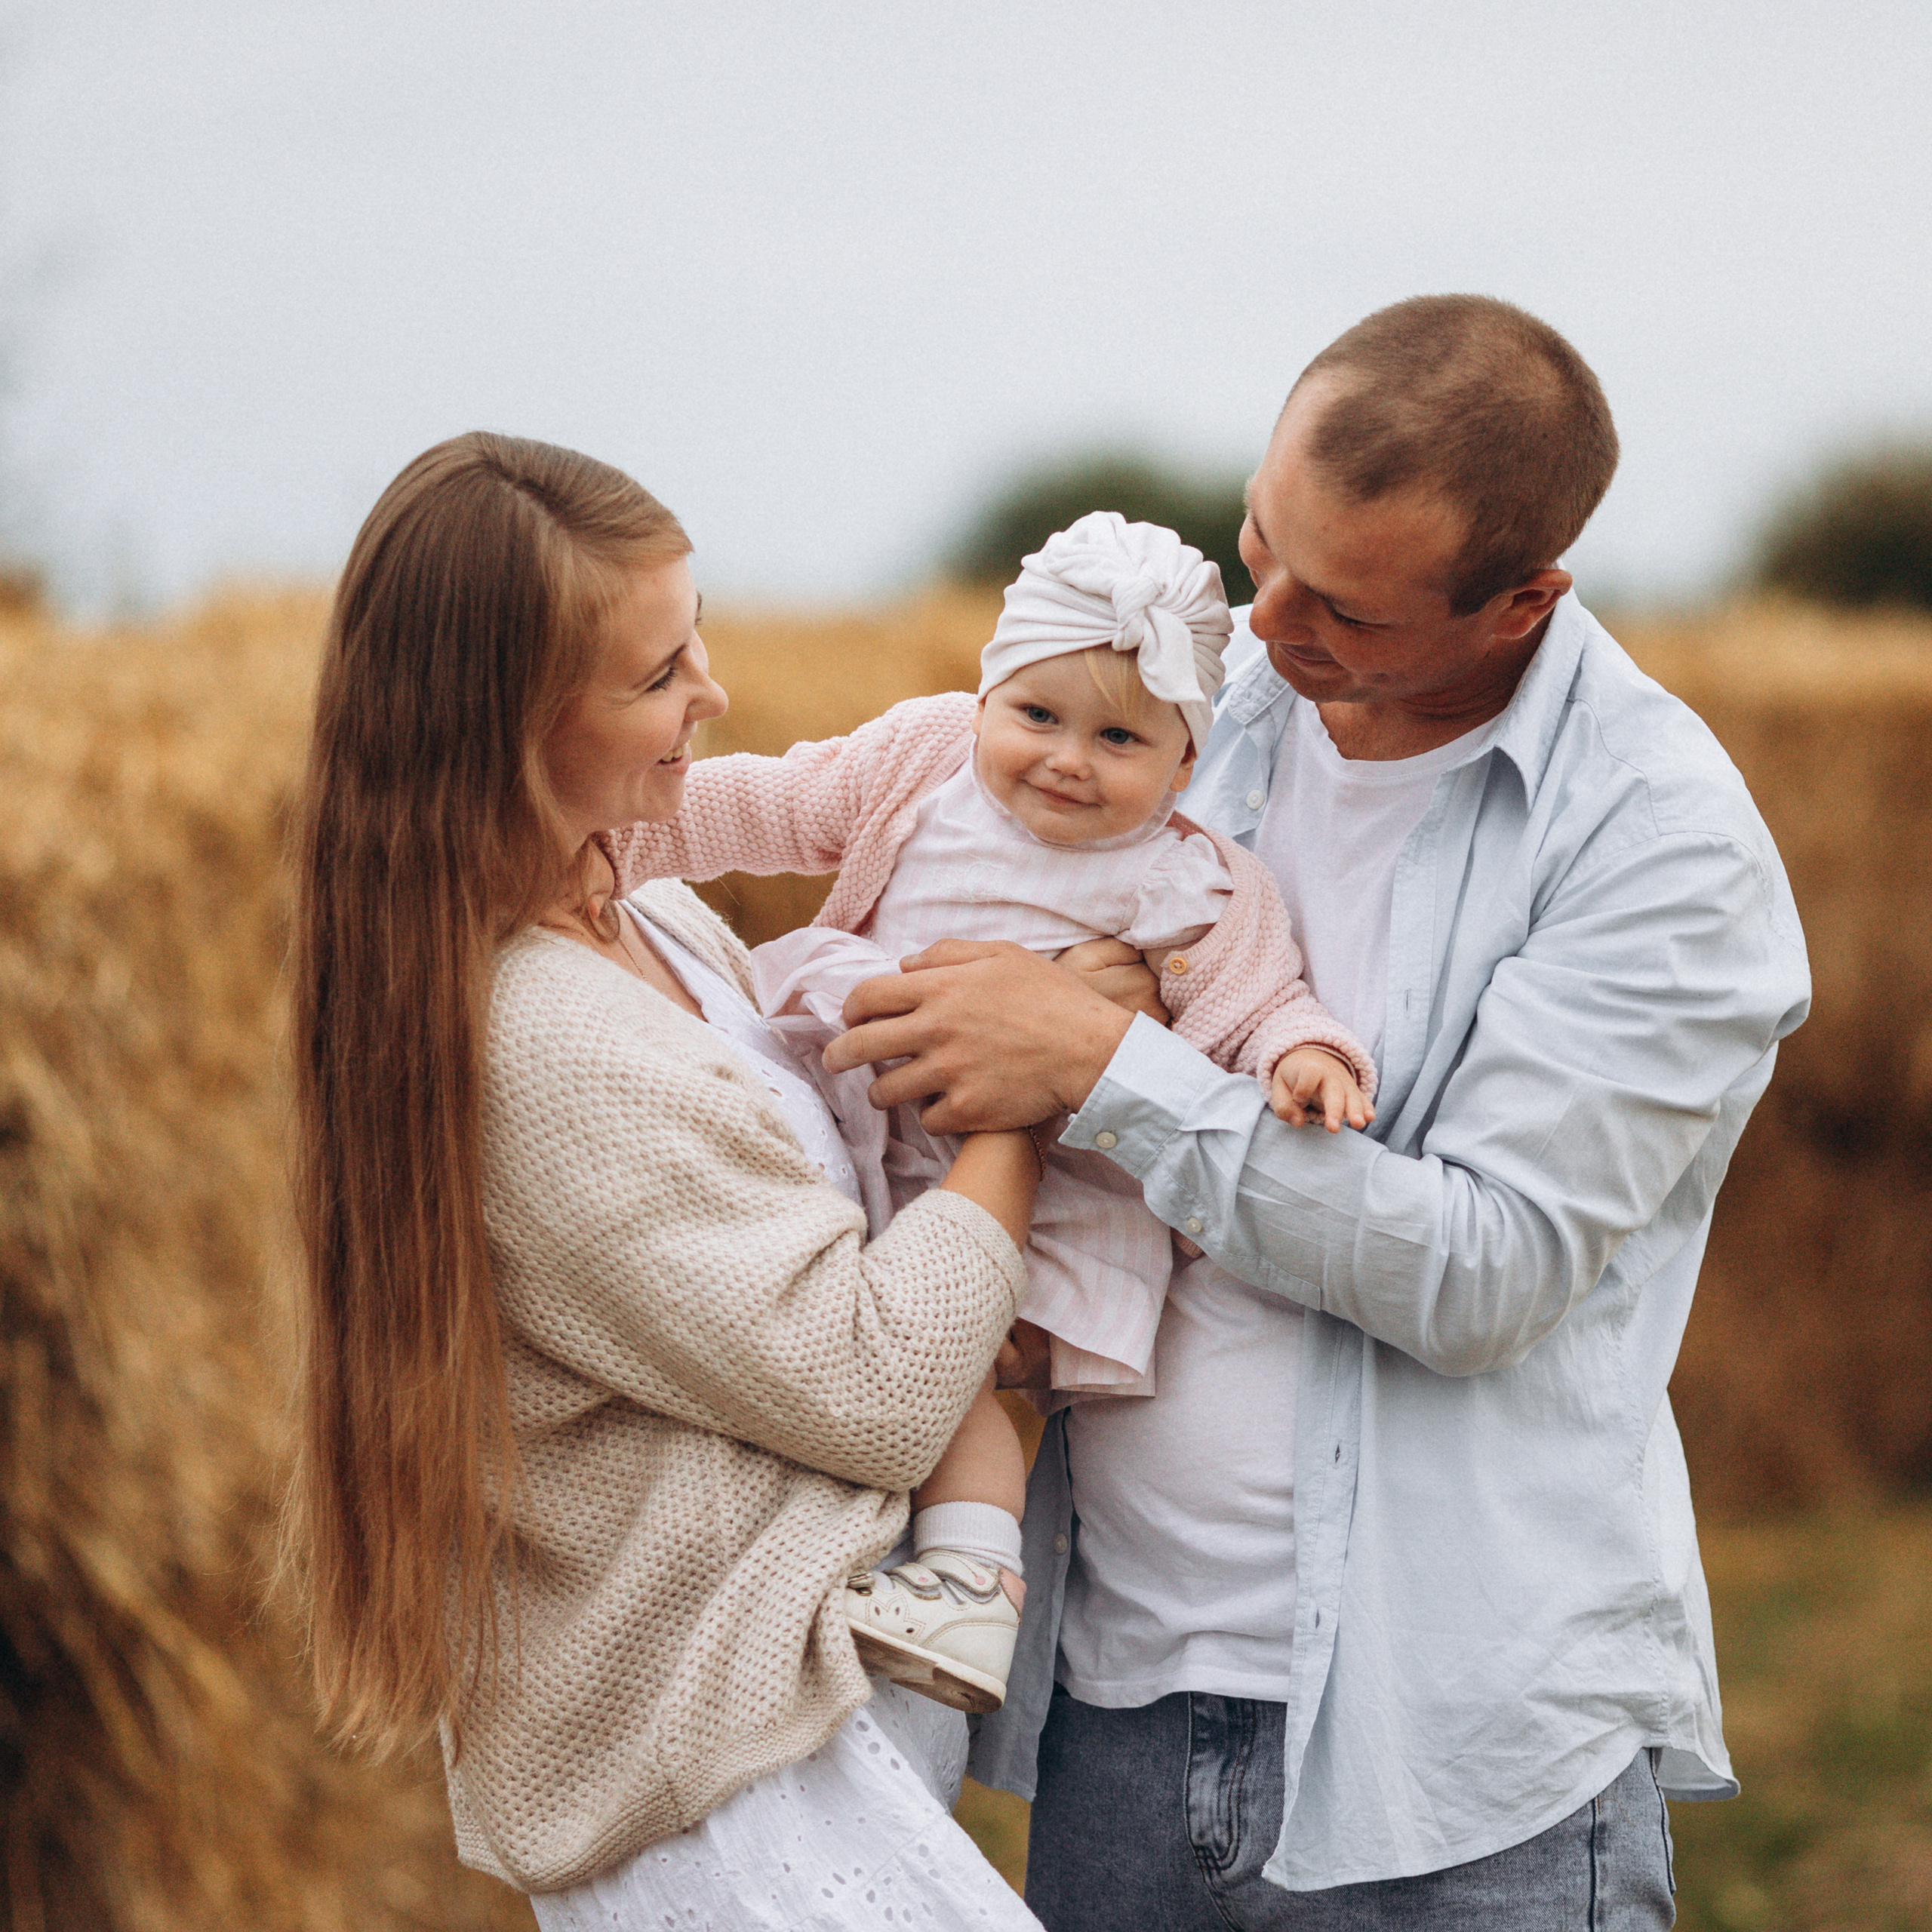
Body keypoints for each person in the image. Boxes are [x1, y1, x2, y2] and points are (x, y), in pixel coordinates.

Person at [822, 296, 1814, 1929]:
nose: (1261, 619)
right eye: (1255, 542)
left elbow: (1483, 1269)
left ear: (1521, 600)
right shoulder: (1194, 719)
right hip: (1117, 1709)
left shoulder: (1658, 841)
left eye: (1340, 604)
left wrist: (1095, 1061)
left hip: (1457, 1760)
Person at [285, 431, 1057, 1929]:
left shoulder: (653, 922)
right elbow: (874, 1378)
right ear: (505, 724)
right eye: (654, 674)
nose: (708, 687)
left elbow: (799, 1273)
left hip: (809, 1752)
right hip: (734, 1817)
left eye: (690, 635)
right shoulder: (539, 1042)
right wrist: (1023, 1101)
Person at [617, 509, 1376, 1715]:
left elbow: (1258, 1000)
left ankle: (973, 1583)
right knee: (800, 1323)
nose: (1069, 758)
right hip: (864, 1120)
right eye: (1036, 717)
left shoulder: (1192, 881)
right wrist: (599, 831)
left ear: (1187, 767)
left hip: (1037, 1190)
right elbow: (763, 805)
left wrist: (1306, 1056)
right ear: (982, 699)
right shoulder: (922, 760)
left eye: (1120, 736)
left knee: (952, 1353)